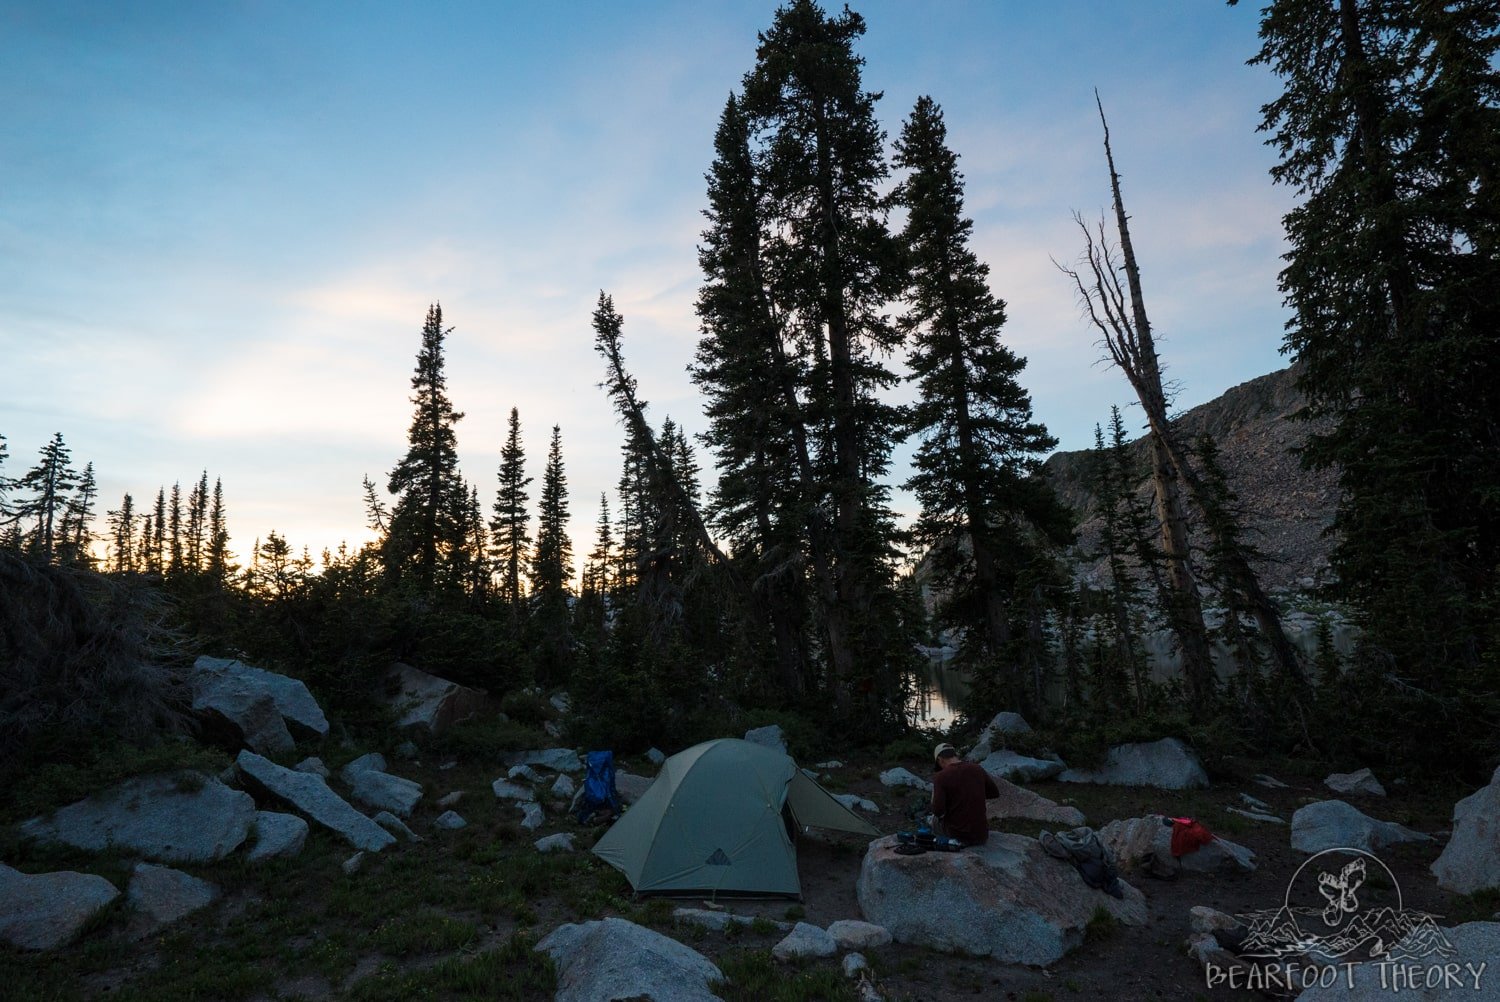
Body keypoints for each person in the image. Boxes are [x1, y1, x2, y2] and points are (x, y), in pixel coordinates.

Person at [929, 742, 999, 846]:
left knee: (932, 820)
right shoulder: (977, 768)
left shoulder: (941, 776)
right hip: (981, 835)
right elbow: (994, 793)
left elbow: (938, 811)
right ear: (955, 755)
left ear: (940, 759)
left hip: (957, 835)